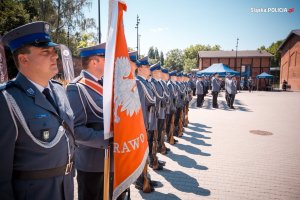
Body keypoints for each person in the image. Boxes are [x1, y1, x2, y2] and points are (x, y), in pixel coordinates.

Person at [0, 21, 75, 200]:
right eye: (45, 52)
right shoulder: (6, 100)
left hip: (66, 189)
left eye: (54, 52)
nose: (54, 56)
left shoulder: (59, 90)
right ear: (23, 59)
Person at [134, 55, 157, 192]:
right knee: (140, 155)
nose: (149, 69)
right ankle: (139, 181)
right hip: (142, 121)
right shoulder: (139, 82)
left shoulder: (145, 82)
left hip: (147, 121)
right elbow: (152, 99)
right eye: (147, 66)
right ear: (140, 68)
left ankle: (144, 177)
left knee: (145, 153)